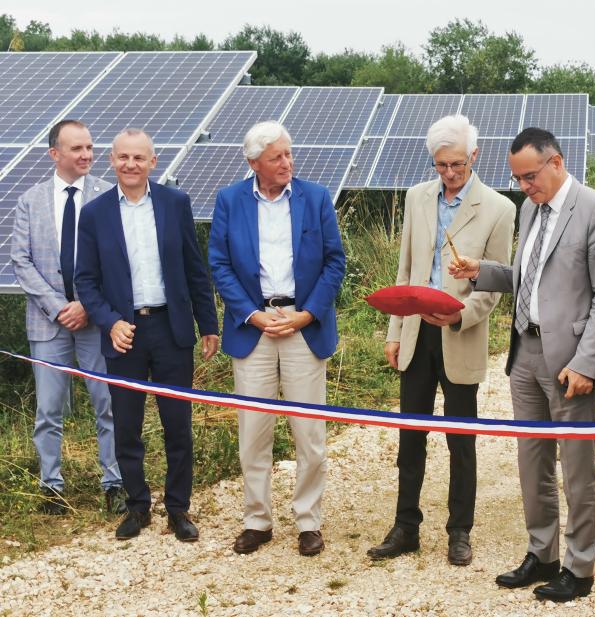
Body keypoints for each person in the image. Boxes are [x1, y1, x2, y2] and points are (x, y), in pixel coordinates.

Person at [450, 127, 595, 602]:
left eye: (529, 176)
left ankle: (579, 566)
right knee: (532, 462)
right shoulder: (530, 208)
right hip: (525, 354)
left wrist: (587, 363)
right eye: (517, 179)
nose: (523, 186)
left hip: (572, 364)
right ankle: (541, 553)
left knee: (578, 468)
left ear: (556, 162)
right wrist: (480, 271)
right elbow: (529, 277)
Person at [366, 115, 516, 566]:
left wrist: (458, 316)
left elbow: (496, 283)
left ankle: (459, 531)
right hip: (415, 335)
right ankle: (405, 525)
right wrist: (395, 331)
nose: (448, 174)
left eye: (456, 165)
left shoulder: (499, 209)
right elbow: (407, 269)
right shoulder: (416, 198)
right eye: (440, 166)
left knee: (460, 439)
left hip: (458, 335)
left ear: (474, 155)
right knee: (410, 436)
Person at [75, 128, 219, 542]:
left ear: (153, 162)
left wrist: (207, 324)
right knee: (127, 426)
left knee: (178, 425)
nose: (131, 164)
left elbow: (195, 269)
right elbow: (86, 280)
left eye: (139, 158)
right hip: (124, 333)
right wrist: (109, 321)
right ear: (112, 160)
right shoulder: (96, 213)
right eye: (123, 157)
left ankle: (178, 509)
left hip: (171, 329)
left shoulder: (175, 204)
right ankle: (137, 507)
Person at [208, 121, 345, 557]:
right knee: (253, 431)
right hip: (255, 326)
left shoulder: (316, 197)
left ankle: (308, 521)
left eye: (288, 154)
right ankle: (257, 520)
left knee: (309, 433)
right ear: (254, 164)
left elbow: (334, 262)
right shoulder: (230, 200)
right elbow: (219, 264)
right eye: (276, 157)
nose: (287, 163)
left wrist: (306, 314)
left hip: (303, 323)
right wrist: (252, 314)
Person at [11, 120, 125, 515]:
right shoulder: (31, 200)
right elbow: (21, 261)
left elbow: (115, 259)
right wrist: (58, 306)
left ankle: (114, 482)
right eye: (77, 149)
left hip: (95, 321)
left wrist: (87, 305)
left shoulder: (107, 197)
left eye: (90, 148)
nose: (86, 156)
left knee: (107, 402)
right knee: (49, 408)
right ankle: (51, 485)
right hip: (48, 322)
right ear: (54, 154)